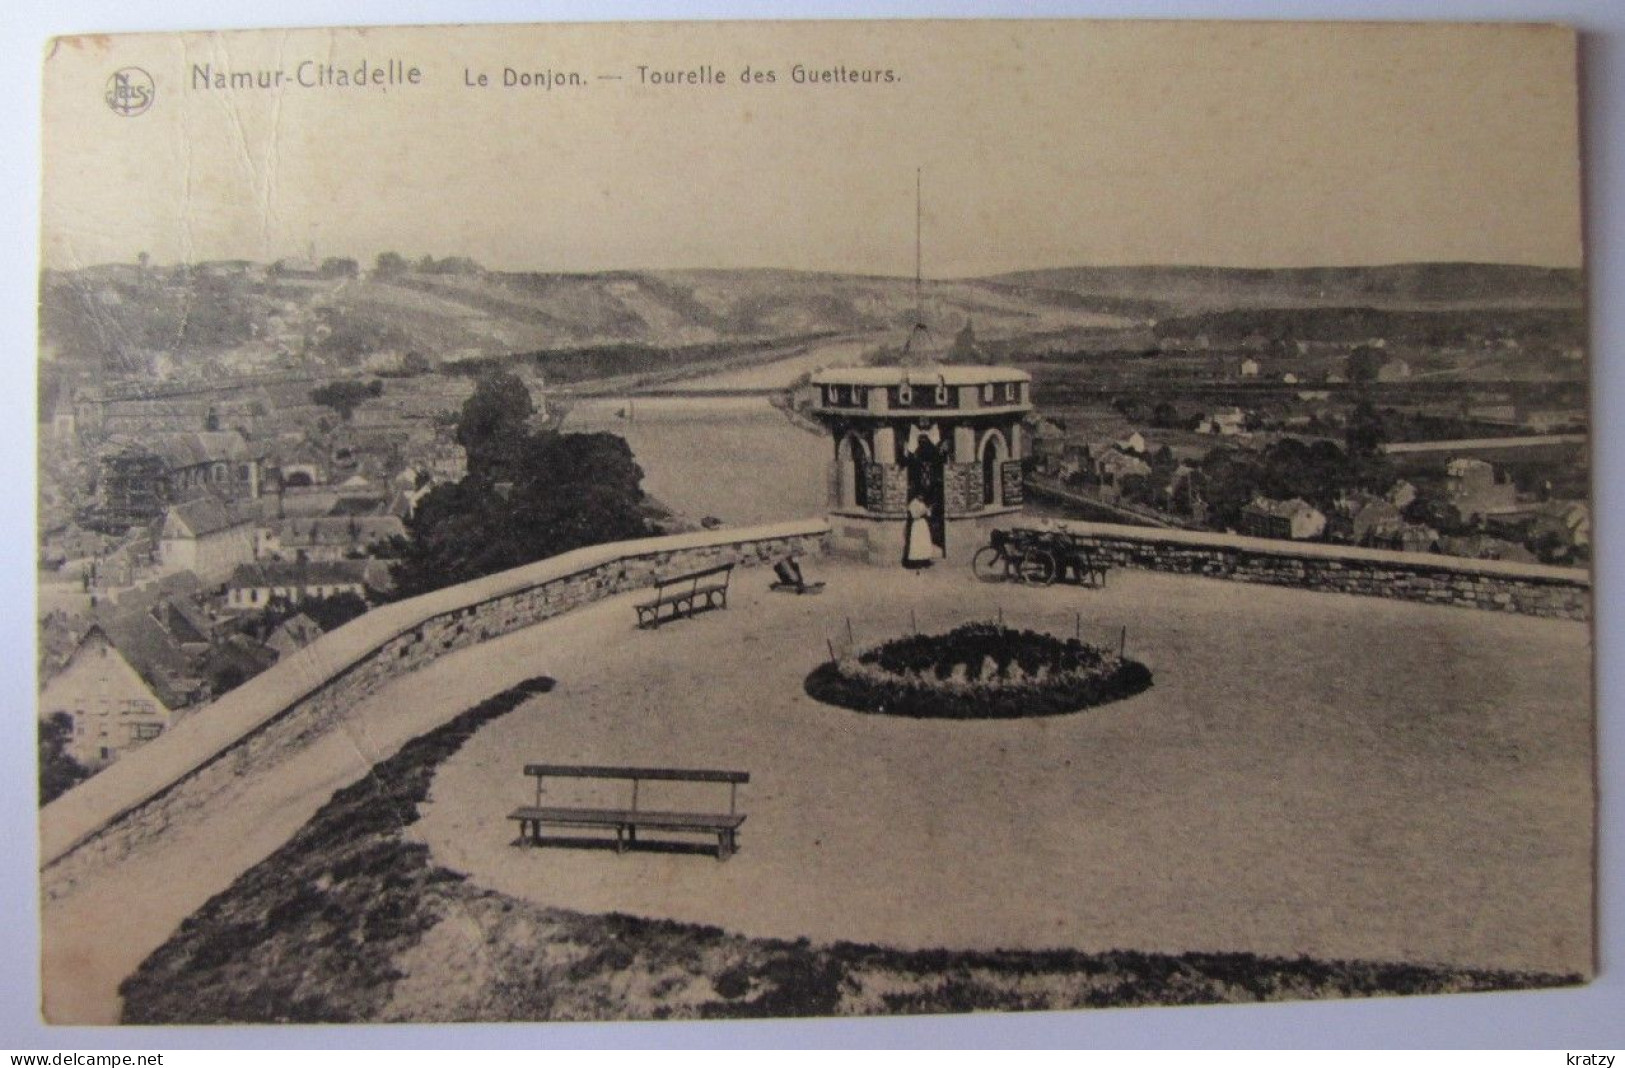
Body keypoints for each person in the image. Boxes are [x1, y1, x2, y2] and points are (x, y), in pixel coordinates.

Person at [904, 495, 937, 569]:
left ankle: (925, 560)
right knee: (917, 542)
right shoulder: (913, 503)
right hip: (917, 524)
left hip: (923, 524)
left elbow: (928, 514)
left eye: (922, 496)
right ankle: (916, 562)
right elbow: (914, 515)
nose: (921, 497)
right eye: (920, 495)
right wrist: (923, 512)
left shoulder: (922, 503)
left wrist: (929, 509)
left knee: (924, 541)